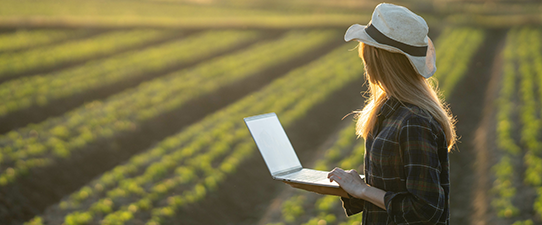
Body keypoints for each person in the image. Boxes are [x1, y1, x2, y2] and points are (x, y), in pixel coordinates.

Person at [285, 3, 456, 225]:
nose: (364, 62)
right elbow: (394, 188)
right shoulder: (389, 110)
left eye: (366, 53)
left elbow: (425, 209)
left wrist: (363, 189)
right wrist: (351, 186)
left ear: (378, 59)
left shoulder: (414, 122)